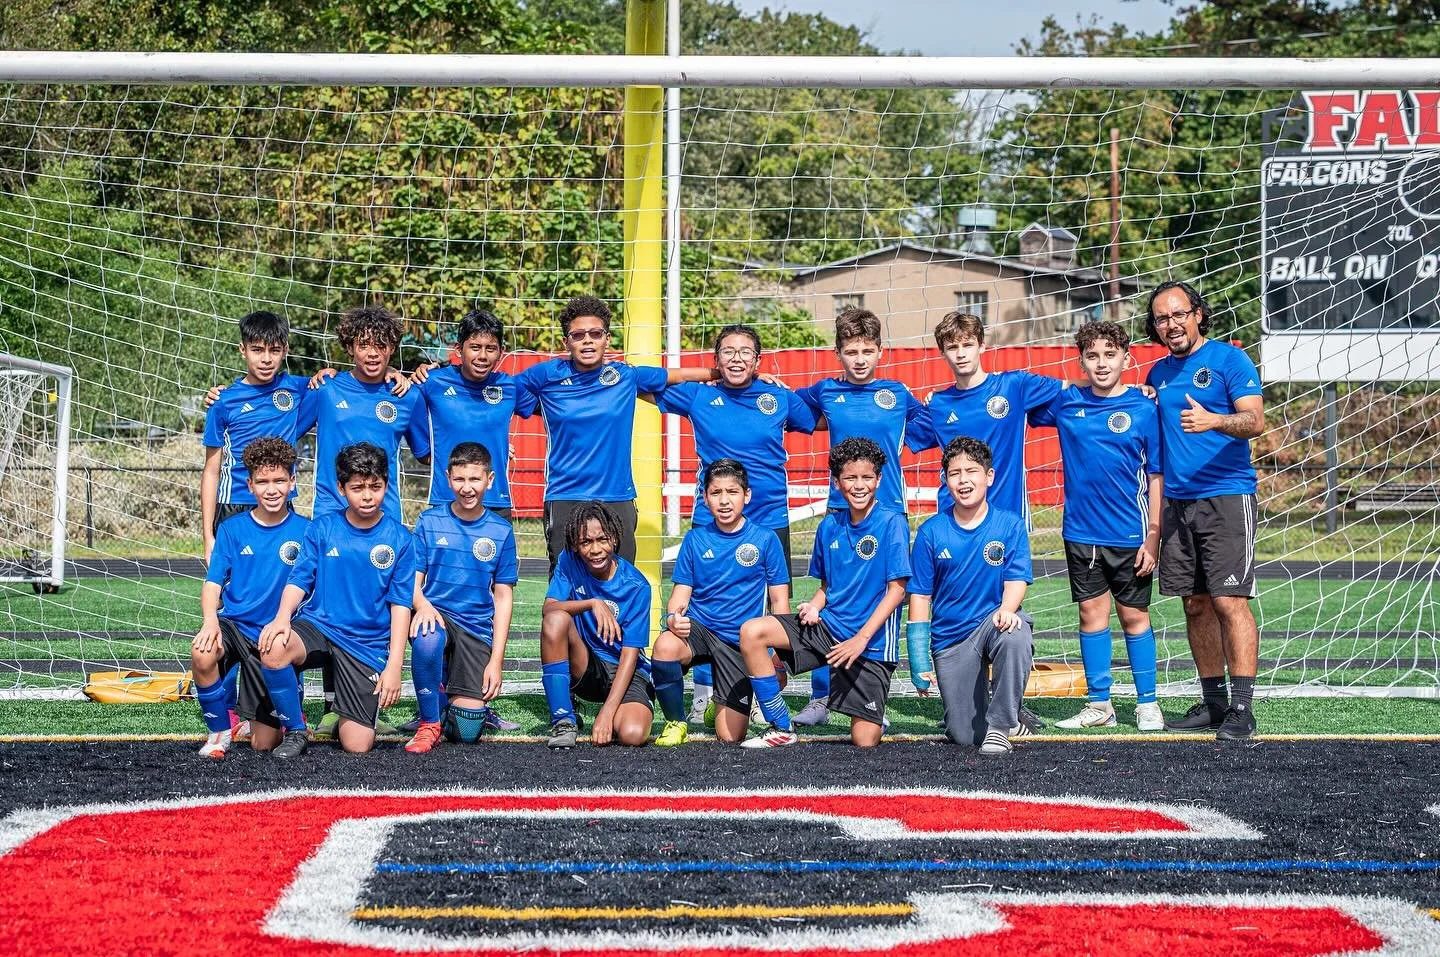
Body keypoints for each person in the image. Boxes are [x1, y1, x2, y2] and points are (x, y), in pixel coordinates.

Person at [904, 310, 1059, 735]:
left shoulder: (1014, 386)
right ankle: (963, 697)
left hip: (1004, 520)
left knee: (1009, 609)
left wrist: (1136, 391)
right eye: (951, 347)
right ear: (942, 352)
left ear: (981, 346)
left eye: (966, 344)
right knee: (957, 600)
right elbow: (901, 433)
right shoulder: (937, 404)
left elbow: (1078, 388)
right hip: (953, 521)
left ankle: (1011, 705)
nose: (960, 353)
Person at [654, 323, 816, 723]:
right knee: (706, 605)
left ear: (759, 361)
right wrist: (703, 376)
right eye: (728, 351)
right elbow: (642, 384)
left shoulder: (778, 397)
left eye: (746, 352)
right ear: (715, 360)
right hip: (712, 519)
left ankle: (766, 695)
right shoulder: (700, 395)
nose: (737, 358)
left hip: (770, 516)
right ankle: (703, 693)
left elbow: (819, 417)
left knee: (772, 610)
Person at [515, 295, 717, 574]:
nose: (587, 340)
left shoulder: (624, 376)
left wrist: (732, 373)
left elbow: (677, 375)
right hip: (565, 495)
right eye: (578, 335)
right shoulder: (545, 376)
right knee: (564, 588)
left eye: (595, 334)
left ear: (607, 339)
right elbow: (497, 395)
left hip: (616, 496)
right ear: (566, 342)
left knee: (621, 583)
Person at [792, 306, 923, 727]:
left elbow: (934, 426)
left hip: (888, 513)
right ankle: (820, 695)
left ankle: (869, 698)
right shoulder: (826, 392)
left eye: (868, 349)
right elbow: (789, 409)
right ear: (838, 353)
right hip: (838, 510)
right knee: (829, 598)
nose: (860, 358)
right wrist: (770, 384)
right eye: (851, 351)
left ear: (880, 351)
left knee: (884, 602)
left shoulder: (898, 394)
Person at [1145, 280, 1265, 741]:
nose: (1171, 324)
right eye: (1161, 318)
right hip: (1177, 501)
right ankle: (1213, 703)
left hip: (1226, 496)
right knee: (1194, 605)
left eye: (1178, 314)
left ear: (1197, 313)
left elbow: (1255, 420)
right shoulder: (1157, 374)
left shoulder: (1229, 359)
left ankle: (1242, 707)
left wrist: (1214, 420)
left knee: (1228, 600)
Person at [1030, 321, 1164, 732]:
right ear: (1082, 360)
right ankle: (1100, 703)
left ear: (1127, 358)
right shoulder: (1066, 402)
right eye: (1093, 356)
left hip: (1130, 533)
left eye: (1110, 354)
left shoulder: (1145, 407)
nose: (1102, 363)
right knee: (1091, 616)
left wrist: (1154, 533)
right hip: (1080, 533)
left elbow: (1156, 473)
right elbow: (1014, 405)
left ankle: (1147, 702)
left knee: (1134, 617)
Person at [738, 438, 910, 749]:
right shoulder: (829, 526)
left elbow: (897, 592)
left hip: (869, 644)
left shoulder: (892, 522)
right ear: (837, 481)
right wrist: (815, 606)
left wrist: (860, 640)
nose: (859, 486)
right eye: (850, 478)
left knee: (865, 741)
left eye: (867, 477)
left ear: (879, 479)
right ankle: (780, 726)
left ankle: (872, 708)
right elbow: (828, 587)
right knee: (753, 631)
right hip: (827, 629)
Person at [257, 443, 417, 757]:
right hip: (320, 627)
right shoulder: (323, 528)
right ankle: (296, 730)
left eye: (375, 487)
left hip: (365, 643)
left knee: (356, 746)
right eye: (358, 488)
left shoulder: (400, 539)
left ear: (387, 484)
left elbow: (400, 605)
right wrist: (281, 618)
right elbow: (299, 579)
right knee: (274, 646)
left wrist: (395, 664)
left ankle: (348, 707)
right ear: (342, 488)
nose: (368, 496)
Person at [907, 436, 1034, 755]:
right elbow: (920, 597)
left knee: (1016, 630)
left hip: (993, 623)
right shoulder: (931, 532)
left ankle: (1002, 725)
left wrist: (1007, 608)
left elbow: (1017, 579)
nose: (964, 480)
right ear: (945, 480)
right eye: (955, 473)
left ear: (989, 476)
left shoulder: (1010, 524)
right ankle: (986, 716)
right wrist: (919, 658)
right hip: (951, 638)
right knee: (964, 735)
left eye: (972, 471)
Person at [650, 458, 790, 746]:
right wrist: (673, 619)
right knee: (664, 645)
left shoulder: (765, 540)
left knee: (730, 736)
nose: (724, 501)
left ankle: (719, 703)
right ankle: (676, 721)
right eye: (716, 493)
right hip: (700, 630)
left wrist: (778, 653)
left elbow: (779, 604)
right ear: (705, 497)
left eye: (732, 492)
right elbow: (678, 598)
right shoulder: (695, 539)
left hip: (740, 642)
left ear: (747, 496)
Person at [190, 438, 310, 759]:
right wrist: (210, 621)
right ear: (250, 485)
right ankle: (219, 732)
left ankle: (286, 708)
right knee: (203, 650)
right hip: (236, 627)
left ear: (293, 482)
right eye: (263, 482)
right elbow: (213, 583)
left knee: (263, 743)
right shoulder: (232, 529)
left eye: (280, 481)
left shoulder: (307, 531)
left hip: (274, 637)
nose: (272, 489)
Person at [406, 442, 518, 753]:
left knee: (467, 731)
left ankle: (444, 698)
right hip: (437, 615)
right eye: (459, 479)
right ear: (447, 477)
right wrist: (424, 605)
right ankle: (428, 722)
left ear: (490, 479)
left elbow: (503, 597)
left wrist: (496, 661)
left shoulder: (501, 530)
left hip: (476, 628)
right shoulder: (430, 522)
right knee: (427, 636)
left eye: (474, 479)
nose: (467, 488)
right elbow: (411, 582)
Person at [295, 305, 431, 521]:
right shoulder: (325, 389)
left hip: (385, 516)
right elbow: (285, 431)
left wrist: (491, 449)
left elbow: (427, 455)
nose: (373, 354)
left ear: (392, 348)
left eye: (381, 345)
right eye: (364, 345)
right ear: (350, 347)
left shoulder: (407, 396)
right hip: (332, 514)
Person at [539, 500, 655, 749]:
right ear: (575, 545)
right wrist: (592, 603)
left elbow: (630, 655)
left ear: (614, 538)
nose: (595, 549)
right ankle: (564, 720)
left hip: (627, 670)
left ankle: (623, 707)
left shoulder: (637, 586)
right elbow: (548, 608)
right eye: (585, 542)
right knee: (555, 620)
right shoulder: (569, 561)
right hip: (588, 666)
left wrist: (607, 712)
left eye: (602, 539)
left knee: (632, 735)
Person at [201, 311, 308, 563]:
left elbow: (340, 379)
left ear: (285, 351)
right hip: (235, 505)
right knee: (231, 590)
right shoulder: (223, 402)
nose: (266, 359)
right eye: (258, 350)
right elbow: (211, 470)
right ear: (243, 350)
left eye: (275, 350)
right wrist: (207, 537)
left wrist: (390, 369)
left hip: (280, 500)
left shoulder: (297, 388)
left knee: (283, 586)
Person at [411, 309, 535, 518]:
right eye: (475, 348)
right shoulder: (431, 382)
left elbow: (553, 404)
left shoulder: (509, 386)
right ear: (459, 349)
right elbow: (403, 403)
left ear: (501, 351)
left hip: (495, 501)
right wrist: (425, 453)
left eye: (491, 349)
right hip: (446, 499)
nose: (483, 356)